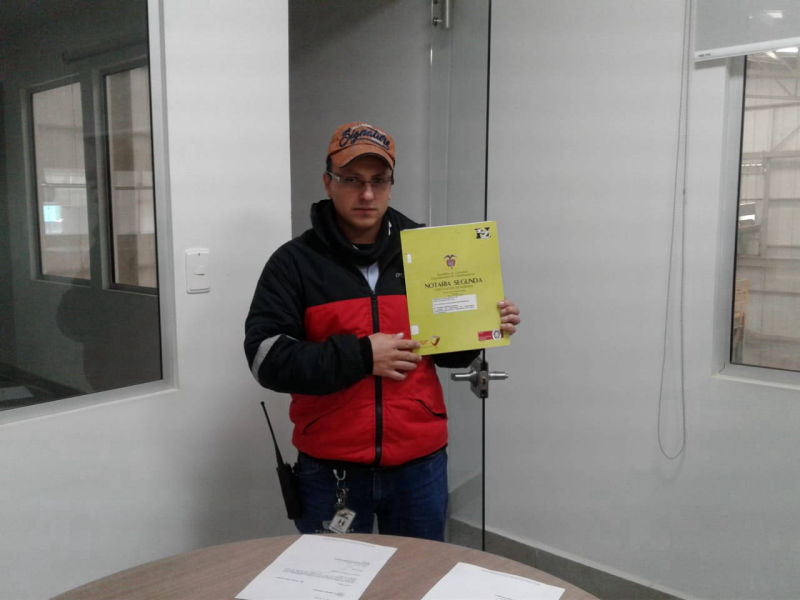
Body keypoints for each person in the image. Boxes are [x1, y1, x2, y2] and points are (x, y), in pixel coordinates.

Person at [244, 121, 520, 541]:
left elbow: (446, 353)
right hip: (330, 469)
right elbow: (266, 359)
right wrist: (360, 356)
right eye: (352, 180)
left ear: (391, 185)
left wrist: (482, 325)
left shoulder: (426, 252)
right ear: (328, 182)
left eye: (379, 180)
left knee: (418, 572)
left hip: (419, 465)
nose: (367, 194)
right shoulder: (293, 263)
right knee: (332, 576)